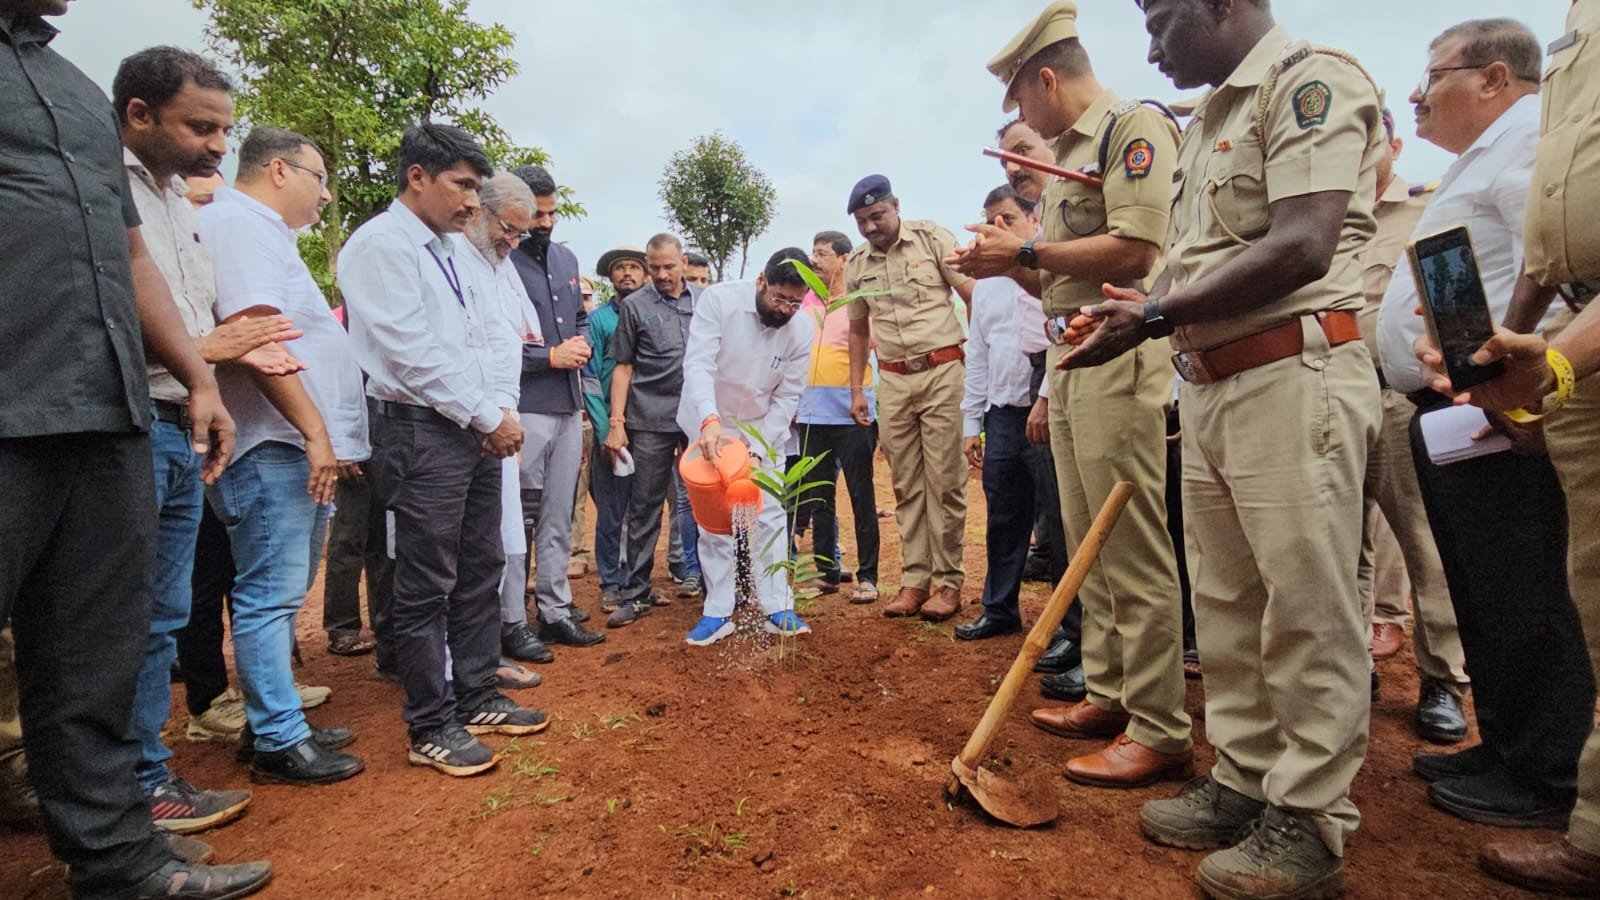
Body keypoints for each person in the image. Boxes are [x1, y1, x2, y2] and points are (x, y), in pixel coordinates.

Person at [1064, 1, 1386, 894]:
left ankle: (1310, 822)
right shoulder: (1207, 121)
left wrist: (1154, 315)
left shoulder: (1309, 82)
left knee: (1306, 607)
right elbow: (1199, 259)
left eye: (1164, 19)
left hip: (1293, 376)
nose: (1151, 45)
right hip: (1211, 384)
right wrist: (1152, 317)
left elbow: (1304, 243)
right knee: (1231, 601)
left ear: (1223, 5)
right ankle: (1243, 780)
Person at [0, 1, 273, 895]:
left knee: (93, 656)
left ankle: (120, 864)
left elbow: (131, 259)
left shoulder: (73, 90)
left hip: (107, 410)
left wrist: (197, 378)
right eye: (200, 125)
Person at [959, 2, 1192, 790]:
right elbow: (1057, 272)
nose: (1021, 120)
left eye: (1021, 101)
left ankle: (1160, 728)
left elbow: (1137, 246)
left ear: (1047, 79)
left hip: (1121, 355)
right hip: (1074, 356)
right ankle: (1116, 693)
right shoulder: (1074, 151)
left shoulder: (1132, 129)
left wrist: (1022, 245)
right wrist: (1004, 263)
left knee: (1131, 542)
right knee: (1084, 544)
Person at [1376, 18, 1593, 830]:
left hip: (1502, 407)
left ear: (1494, 77)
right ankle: (1502, 745)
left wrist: (1520, 375)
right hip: (1456, 408)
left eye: (1433, 75)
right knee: (1482, 585)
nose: (1418, 93)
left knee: (1524, 586)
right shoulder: (1484, 156)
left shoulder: (1529, 145)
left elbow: (1553, 265)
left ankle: (1544, 772)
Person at [115, 45, 300, 831]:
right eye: (202, 127)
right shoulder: (103, 191)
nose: (218, 146)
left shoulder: (175, 204)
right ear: (138, 114)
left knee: (160, 614)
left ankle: (148, 782)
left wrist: (202, 383)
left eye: (224, 129)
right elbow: (125, 307)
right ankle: (123, 792)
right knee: (121, 620)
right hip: (124, 422)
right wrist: (209, 353)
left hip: (180, 421)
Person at [340, 123, 547, 777]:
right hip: (421, 430)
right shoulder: (379, 246)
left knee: (482, 564)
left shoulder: (455, 250)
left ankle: (478, 693)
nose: (469, 202)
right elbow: (409, 352)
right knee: (428, 578)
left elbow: (493, 335)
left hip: (476, 427)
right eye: (461, 185)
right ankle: (431, 724)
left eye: (476, 188)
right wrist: (488, 414)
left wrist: (499, 410)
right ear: (417, 177)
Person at [1456, 2, 1600, 890]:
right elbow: (1548, 249)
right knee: (1590, 592)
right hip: (1573, 346)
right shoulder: (1578, 29)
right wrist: (1509, 356)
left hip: (1573, 350)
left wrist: (1546, 359)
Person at [200, 124, 369, 785]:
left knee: (279, 589)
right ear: (278, 170)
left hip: (285, 441)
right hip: (270, 442)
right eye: (319, 178)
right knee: (269, 594)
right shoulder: (241, 227)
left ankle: (272, 721)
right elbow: (257, 341)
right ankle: (277, 736)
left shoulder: (260, 230)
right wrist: (316, 433)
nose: (325, 194)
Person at [1357, 106, 1469, 741]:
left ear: (1393, 146)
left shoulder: (1428, 209)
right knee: (1345, 545)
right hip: (1337, 398)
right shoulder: (1327, 218)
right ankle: (1354, 666)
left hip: (1402, 399)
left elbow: (1453, 294)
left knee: (1423, 545)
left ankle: (1443, 680)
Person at [843, 175, 974, 620]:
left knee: (945, 480)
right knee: (905, 484)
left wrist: (982, 364)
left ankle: (948, 582)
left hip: (942, 371)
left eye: (876, 216)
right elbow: (858, 329)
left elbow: (973, 294)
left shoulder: (933, 240)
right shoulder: (856, 264)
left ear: (896, 205)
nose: (870, 227)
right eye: (862, 221)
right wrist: (858, 389)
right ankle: (915, 580)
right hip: (894, 381)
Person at [679, 249, 816, 645]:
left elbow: (789, 396)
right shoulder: (720, 301)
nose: (787, 308)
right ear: (761, 281)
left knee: (770, 513)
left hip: (763, 427)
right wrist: (709, 421)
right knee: (716, 519)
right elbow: (699, 365)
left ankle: (777, 605)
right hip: (712, 424)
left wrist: (757, 449)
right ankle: (718, 611)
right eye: (779, 298)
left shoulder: (802, 328)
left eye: (795, 301)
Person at [457, 170, 558, 690]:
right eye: (512, 229)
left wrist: (505, 412)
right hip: (456, 424)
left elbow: (506, 345)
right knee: (452, 558)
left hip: (498, 417)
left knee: (493, 547)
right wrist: (489, 415)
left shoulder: (498, 265)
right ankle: (454, 667)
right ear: (480, 210)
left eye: (523, 232)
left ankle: (489, 648)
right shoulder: (450, 258)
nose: (515, 241)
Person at [507, 165, 606, 652]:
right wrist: (548, 356)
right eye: (535, 214)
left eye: (551, 212)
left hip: (569, 406)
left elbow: (582, 317)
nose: (544, 223)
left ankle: (554, 608)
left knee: (558, 513)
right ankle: (509, 618)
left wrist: (582, 343)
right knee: (516, 519)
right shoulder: (500, 261)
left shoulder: (566, 259)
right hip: (523, 406)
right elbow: (489, 340)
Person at [955, 185, 1048, 644]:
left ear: (1034, 219)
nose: (997, 229)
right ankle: (1000, 609)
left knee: (1056, 522)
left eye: (1007, 219)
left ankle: (1070, 629)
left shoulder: (1053, 271)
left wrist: (1048, 396)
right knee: (1004, 517)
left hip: (1048, 408)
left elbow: (1062, 338)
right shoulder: (987, 286)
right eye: (990, 220)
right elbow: (979, 356)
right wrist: (972, 423)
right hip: (1003, 416)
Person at [604, 233, 707, 627]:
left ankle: (717, 586)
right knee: (645, 505)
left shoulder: (704, 301)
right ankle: (636, 592)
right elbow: (624, 367)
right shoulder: (634, 306)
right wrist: (617, 423)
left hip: (698, 417)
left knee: (709, 500)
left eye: (669, 266)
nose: (662, 274)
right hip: (650, 418)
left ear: (683, 262)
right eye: (655, 267)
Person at [793, 229, 881, 604]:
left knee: (861, 494)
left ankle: (869, 576)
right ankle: (828, 571)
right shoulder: (804, 302)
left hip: (852, 412)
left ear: (844, 258)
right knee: (818, 496)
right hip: (812, 414)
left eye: (823, 253)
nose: (815, 260)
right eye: (813, 253)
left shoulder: (859, 301)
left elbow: (873, 344)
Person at [587, 246, 647, 611]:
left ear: (646, 274)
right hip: (611, 429)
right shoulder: (599, 320)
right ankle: (611, 581)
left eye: (633, 268)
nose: (627, 273)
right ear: (610, 278)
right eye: (620, 268)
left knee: (643, 510)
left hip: (649, 425)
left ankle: (638, 582)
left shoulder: (652, 315)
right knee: (611, 510)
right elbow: (590, 379)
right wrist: (604, 429)